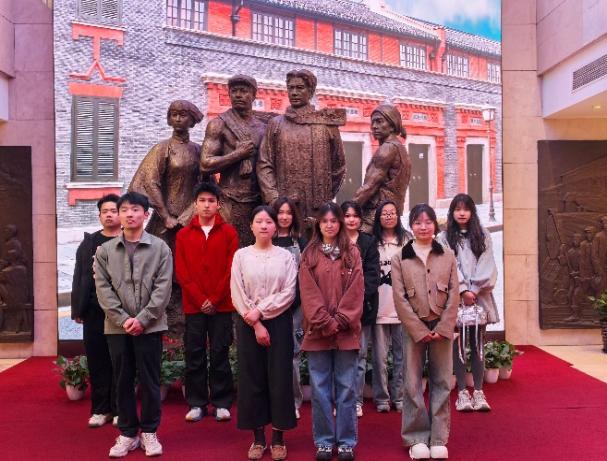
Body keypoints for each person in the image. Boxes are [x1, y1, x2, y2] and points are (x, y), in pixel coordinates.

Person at [94, 192, 172, 458]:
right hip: (117, 328)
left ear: (145, 214)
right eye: (124, 209)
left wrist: (143, 319)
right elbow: (103, 289)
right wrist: (124, 319)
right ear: (119, 214)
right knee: (122, 379)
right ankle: (127, 433)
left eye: (135, 209)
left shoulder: (160, 248)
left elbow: (163, 288)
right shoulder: (106, 251)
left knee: (150, 381)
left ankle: (149, 431)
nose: (129, 214)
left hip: (150, 326)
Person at [129, 100, 205, 336]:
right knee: (162, 268)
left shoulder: (198, 150)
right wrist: (166, 215)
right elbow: (149, 181)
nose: (178, 119)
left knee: (189, 269)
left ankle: (186, 320)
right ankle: (162, 318)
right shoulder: (162, 149)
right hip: (165, 222)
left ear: (192, 120)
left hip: (191, 220)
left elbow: (206, 186)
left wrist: (189, 213)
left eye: (183, 115)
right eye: (173, 114)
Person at [391, 204, 459, 460]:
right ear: (411, 225)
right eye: (418, 222)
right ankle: (416, 437)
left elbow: (454, 293)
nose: (423, 227)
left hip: (441, 326)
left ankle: (439, 438)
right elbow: (399, 298)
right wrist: (418, 329)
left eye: (428, 222)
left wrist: (443, 327)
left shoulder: (447, 255)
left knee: (442, 381)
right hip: (414, 327)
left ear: (435, 225)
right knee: (412, 382)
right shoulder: (400, 257)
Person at [230, 206, 298, 461]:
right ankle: (258, 438)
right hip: (248, 324)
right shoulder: (241, 256)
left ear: (275, 227)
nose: (264, 226)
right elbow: (237, 290)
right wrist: (256, 321)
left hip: (279, 322)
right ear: (251, 226)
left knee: (280, 378)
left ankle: (278, 438)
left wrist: (261, 311)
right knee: (252, 378)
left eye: (269, 221)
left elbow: (289, 292)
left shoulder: (285, 257)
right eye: (259, 221)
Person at [299, 202, 364, 461]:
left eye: (334, 220)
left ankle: (346, 441)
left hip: (346, 332)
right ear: (318, 224)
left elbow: (357, 290)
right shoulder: (309, 254)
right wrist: (325, 322)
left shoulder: (352, 252)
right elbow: (308, 292)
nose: (329, 225)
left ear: (340, 223)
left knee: (347, 388)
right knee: (320, 388)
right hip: (318, 333)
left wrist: (341, 320)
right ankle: (324, 441)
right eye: (324, 220)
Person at [175, 182, 238, 423]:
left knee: (220, 352)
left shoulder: (229, 233)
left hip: (222, 305)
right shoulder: (183, 235)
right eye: (202, 200)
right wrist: (201, 300)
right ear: (195, 204)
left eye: (211, 201)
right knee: (195, 353)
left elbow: (231, 269)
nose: (206, 205)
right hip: (194, 306)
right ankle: (197, 402)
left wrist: (215, 298)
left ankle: (221, 402)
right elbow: (182, 272)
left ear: (218, 205)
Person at [257, 69, 346, 225]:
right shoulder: (276, 124)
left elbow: (338, 166)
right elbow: (264, 163)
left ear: (310, 91)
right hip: (284, 208)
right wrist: (274, 199)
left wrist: (324, 194)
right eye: (291, 88)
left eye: (300, 88)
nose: (294, 92)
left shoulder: (325, 124)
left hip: (317, 208)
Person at [437, 194, 499, 413]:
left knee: (478, 344)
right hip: (456, 298)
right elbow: (448, 265)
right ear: (452, 212)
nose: (462, 213)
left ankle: (479, 391)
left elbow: (487, 263)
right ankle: (463, 392)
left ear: (472, 211)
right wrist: (463, 289)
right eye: (457, 209)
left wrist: (474, 289)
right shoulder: (444, 238)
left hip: (479, 298)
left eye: (466, 209)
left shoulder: (483, 235)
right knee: (458, 345)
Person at [201, 75, 274, 247]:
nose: (238, 95)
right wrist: (237, 154)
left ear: (254, 95)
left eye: (244, 91)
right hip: (229, 201)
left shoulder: (264, 128)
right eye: (234, 91)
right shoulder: (219, 124)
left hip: (257, 201)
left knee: (255, 250)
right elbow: (205, 164)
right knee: (227, 249)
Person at [71, 194, 121, 428]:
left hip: (121, 312)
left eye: (113, 211)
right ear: (100, 216)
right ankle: (101, 409)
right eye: (105, 212)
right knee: (97, 360)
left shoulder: (127, 240)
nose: (109, 215)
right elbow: (79, 276)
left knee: (120, 361)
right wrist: (78, 308)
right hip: (94, 311)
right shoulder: (89, 243)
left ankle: (120, 409)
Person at [371, 200, 411, 413]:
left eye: (392, 212)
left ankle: (400, 396)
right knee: (379, 358)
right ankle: (382, 398)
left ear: (398, 215)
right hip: (379, 308)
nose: (388, 216)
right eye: (384, 213)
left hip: (402, 308)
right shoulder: (372, 242)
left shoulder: (407, 240)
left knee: (401, 357)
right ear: (378, 217)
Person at [340, 200, 380, 418]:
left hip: (363, 307)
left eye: (355, 216)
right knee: (340, 355)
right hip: (338, 309)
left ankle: (356, 400)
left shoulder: (368, 241)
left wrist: (357, 298)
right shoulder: (335, 240)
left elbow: (373, 274)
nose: (351, 220)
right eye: (347, 216)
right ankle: (341, 399)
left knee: (360, 355)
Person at [272, 196, 308, 419]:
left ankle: (294, 401)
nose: (284, 217)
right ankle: (274, 400)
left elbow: (306, 277)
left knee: (293, 355)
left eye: (288, 213)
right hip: (271, 307)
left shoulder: (300, 242)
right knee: (272, 355)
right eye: (280, 212)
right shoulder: (267, 240)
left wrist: (298, 303)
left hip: (295, 307)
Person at [353, 105, 411, 233]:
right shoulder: (399, 147)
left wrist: (348, 210)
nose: (374, 126)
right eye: (373, 122)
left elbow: (369, 187)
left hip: (375, 217)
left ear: (392, 126)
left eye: (379, 121)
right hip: (392, 213)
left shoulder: (387, 148)